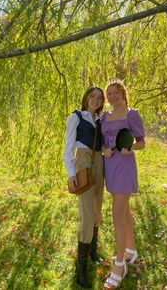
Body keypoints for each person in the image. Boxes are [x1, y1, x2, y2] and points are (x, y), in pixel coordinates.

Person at [101, 79, 145, 289]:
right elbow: (101, 141)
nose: (112, 97)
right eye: (109, 94)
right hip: (110, 168)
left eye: (116, 93)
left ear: (123, 93)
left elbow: (142, 143)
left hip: (125, 168)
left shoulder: (131, 114)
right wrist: (104, 150)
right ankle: (131, 250)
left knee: (117, 215)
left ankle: (119, 265)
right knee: (124, 210)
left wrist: (132, 149)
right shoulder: (105, 116)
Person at [63, 86, 105, 289]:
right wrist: (71, 174)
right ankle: (81, 268)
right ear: (86, 97)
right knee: (87, 214)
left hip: (99, 162)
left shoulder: (100, 120)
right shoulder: (76, 117)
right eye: (92, 96)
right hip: (83, 160)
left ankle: (93, 251)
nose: (95, 100)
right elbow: (67, 148)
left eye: (99, 98)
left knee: (97, 208)